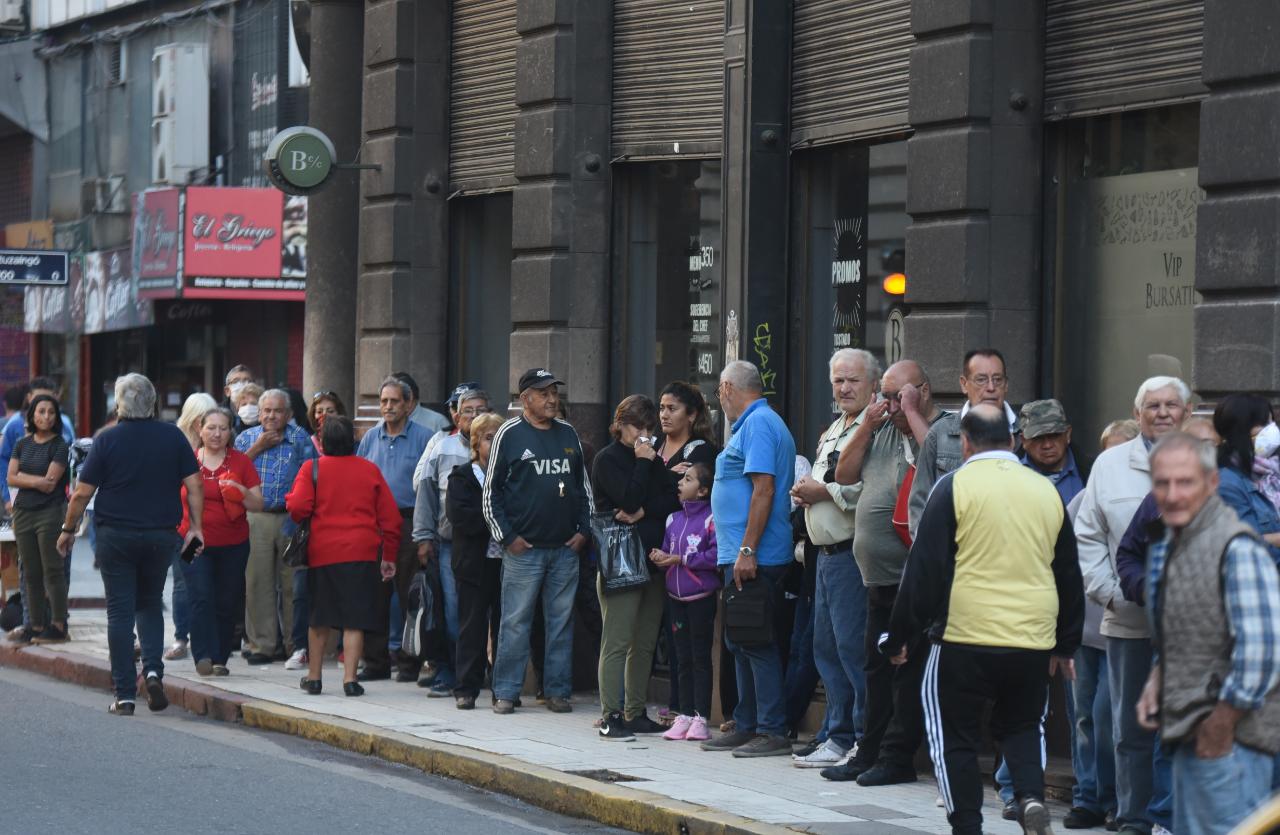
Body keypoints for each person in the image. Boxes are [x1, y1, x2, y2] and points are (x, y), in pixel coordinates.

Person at [885, 404, 1084, 835]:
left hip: (962, 636)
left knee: (954, 736)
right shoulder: (1044, 490)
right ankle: (1030, 796)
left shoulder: (952, 486)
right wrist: (1066, 643)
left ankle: (968, 825)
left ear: (968, 443)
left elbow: (924, 570)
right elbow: (1068, 570)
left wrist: (900, 635)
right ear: (1013, 442)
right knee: (1023, 725)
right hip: (1032, 638)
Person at [1137, 432, 1280, 835]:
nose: (1173, 493)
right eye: (1163, 483)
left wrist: (1222, 723)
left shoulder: (1238, 548)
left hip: (1234, 743)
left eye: (1186, 482)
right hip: (1189, 733)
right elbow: (1183, 629)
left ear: (1212, 484)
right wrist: (1158, 678)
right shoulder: (1171, 544)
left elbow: (1263, 652)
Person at [1075, 375, 1189, 835]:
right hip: (1128, 617)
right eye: (1153, 406)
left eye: (1172, 405)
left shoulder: (1204, 458)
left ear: (1187, 409)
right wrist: (1111, 592)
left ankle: (1170, 815)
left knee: (1178, 723)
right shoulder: (1110, 463)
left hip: (1188, 626)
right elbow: (1088, 534)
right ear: (1137, 412)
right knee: (1128, 728)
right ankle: (1133, 817)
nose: (1163, 413)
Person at [56, 374, 203, 716]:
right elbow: (195, 485)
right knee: (150, 602)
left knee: (120, 612)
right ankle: (152, 671)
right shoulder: (173, 436)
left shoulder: (107, 439)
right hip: (160, 533)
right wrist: (196, 527)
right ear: (153, 404)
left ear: (119, 405)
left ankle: (124, 694)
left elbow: (81, 492)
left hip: (115, 535)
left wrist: (68, 529)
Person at [826, 359, 943, 784]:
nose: (890, 405)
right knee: (876, 667)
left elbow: (944, 471)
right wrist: (868, 426)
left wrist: (912, 414)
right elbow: (843, 474)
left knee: (908, 670)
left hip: (917, 577)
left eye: (899, 396)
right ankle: (869, 750)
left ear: (923, 392)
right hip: (877, 576)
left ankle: (897, 759)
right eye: (887, 397)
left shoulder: (943, 426)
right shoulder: (880, 429)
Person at [482, 368, 592, 715]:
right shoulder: (508, 434)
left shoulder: (568, 433)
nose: (551, 399)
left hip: (564, 550)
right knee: (515, 622)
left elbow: (584, 490)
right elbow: (491, 494)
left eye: (554, 393)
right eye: (543, 393)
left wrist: (583, 532)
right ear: (525, 398)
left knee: (560, 624)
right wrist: (508, 538)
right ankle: (506, 692)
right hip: (523, 551)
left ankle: (557, 691)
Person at [700, 360, 796, 758]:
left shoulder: (758, 424)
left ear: (726, 389)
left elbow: (764, 489)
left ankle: (772, 730)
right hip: (740, 555)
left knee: (756, 642)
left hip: (755, 556)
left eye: (719, 393)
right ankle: (747, 722)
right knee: (740, 641)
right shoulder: (754, 424)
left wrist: (746, 550)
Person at [788, 349, 877, 768]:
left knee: (851, 649)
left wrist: (821, 493)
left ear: (872, 383)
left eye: (853, 380)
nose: (844, 388)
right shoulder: (835, 428)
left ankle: (862, 737)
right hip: (821, 554)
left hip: (850, 553)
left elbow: (871, 492)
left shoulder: (874, 427)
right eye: (838, 381)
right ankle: (838, 737)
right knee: (825, 647)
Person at [287, 416, 401, 697]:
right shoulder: (369, 470)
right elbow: (391, 519)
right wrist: (389, 555)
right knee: (354, 618)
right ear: (353, 441)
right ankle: (350, 679)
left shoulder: (310, 468)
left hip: (323, 552)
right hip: (362, 552)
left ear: (322, 442)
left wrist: (291, 499)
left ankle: (314, 677)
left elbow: (299, 509)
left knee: (319, 617)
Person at [591, 394, 678, 740]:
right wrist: (643, 465)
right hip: (621, 559)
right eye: (636, 427)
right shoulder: (607, 459)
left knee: (643, 642)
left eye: (648, 428)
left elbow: (672, 496)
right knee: (617, 640)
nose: (643, 435)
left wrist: (643, 512)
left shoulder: (653, 459)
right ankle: (611, 713)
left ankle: (636, 710)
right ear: (619, 425)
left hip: (652, 558)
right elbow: (627, 498)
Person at [412, 384, 491, 696]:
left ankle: (482, 671)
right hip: (449, 543)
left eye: (480, 409)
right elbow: (425, 491)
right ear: (456, 415)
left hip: (495, 543)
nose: (474, 416)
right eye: (467, 410)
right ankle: (454, 672)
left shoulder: (500, 445)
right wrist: (423, 537)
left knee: (488, 611)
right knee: (454, 609)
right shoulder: (442, 446)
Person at [234, 389, 317, 665]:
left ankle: (295, 645)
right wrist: (258, 446)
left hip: (290, 517)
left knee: (292, 584)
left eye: (277, 410)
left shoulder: (301, 439)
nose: (271, 415)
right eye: (266, 411)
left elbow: (312, 476)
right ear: (259, 414)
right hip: (255, 516)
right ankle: (263, 645)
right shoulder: (246, 437)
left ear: (289, 414)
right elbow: (231, 474)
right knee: (257, 582)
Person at [358, 375, 432, 682]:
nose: (387, 407)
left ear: (409, 404)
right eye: (383, 401)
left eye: (394, 401)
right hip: (373, 524)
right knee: (373, 595)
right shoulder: (370, 438)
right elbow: (359, 480)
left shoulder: (425, 437)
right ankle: (374, 662)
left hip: (409, 522)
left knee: (408, 595)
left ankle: (409, 662)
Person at [181, 408, 262, 676]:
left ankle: (220, 658)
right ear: (199, 429)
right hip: (193, 540)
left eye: (223, 428)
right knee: (199, 596)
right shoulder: (187, 460)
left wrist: (241, 492)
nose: (217, 433)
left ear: (230, 432)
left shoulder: (241, 462)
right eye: (211, 428)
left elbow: (258, 504)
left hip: (234, 542)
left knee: (227, 600)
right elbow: (169, 498)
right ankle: (202, 655)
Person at [907, 349, 1017, 537]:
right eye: (981, 379)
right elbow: (919, 503)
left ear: (1006, 385)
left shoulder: (1022, 432)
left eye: (997, 379)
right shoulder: (940, 434)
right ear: (964, 384)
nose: (991, 387)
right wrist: (934, 556)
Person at [652, 462, 718, 741]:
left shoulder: (711, 519)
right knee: (682, 657)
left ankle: (702, 717)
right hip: (675, 598)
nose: (680, 483)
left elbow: (715, 557)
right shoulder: (672, 519)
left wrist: (681, 559)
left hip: (700, 598)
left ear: (702, 490)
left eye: (688, 479)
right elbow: (669, 551)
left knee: (700, 657)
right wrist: (661, 557)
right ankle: (685, 714)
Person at [445, 412, 506, 709]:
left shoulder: (509, 476)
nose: (494, 444)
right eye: (489, 438)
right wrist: (496, 521)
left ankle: (502, 689)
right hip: (473, 564)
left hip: (505, 563)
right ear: (476, 443)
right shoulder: (462, 476)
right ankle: (466, 688)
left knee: (505, 626)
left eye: (499, 438)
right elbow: (462, 518)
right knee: (472, 626)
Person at [7, 395, 71, 644]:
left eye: (51, 413)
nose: (46, 417)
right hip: (22, 512)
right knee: (30, 572)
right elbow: (10, 478)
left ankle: (57, 625)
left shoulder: (60, 445)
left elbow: (50, 484)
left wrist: (25, 477)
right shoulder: (22, 444)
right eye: (41, 411)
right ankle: (34, 625)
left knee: (52, 570)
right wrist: (36, 480)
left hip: (49, 512)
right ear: (32, 415)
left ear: (56, 417)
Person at [165, 392, 218, 662]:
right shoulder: (177, 442)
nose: (207, 428)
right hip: (184, 526)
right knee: (183, 582)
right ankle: (180, 636)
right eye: (201, 420)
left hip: (213, 527)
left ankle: (207, 637)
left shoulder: (218, 445)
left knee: (208, 583)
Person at [1, 376, 76, 511]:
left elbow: (72, 462)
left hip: (55, 500)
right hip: (20, 499)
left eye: (49, 399)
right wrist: (7, 497)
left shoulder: (64, 424)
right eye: (38, 398)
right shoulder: (14, 424)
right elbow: (3, 461)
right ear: (29, 397)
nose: (44, 404)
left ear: (55, 398)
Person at [394, 371, 451, 435]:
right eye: (384, 400)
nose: (388, 406)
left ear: (409, 397)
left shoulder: (437, 422)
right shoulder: (384, 423)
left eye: (394, 400)